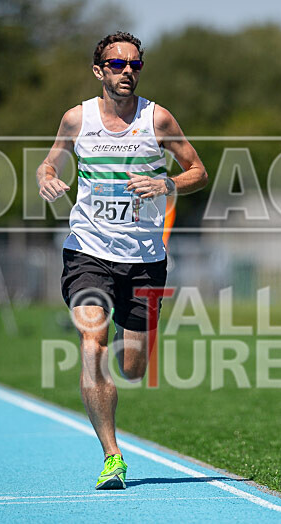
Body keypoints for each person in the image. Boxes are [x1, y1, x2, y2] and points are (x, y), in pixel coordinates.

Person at [37, 31, 207, 489]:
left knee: (132, 367)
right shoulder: (78, 118)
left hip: (145, 258)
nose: (126, 71)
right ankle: (112, 456)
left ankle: (120, 347)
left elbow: (198, 170)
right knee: (91, 342)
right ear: (99, 71)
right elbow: (50, 161)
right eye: (116, 64)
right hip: (88, 249)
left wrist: (166, 184)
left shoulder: (159, 120)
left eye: (134, 64)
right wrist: (46, 175)